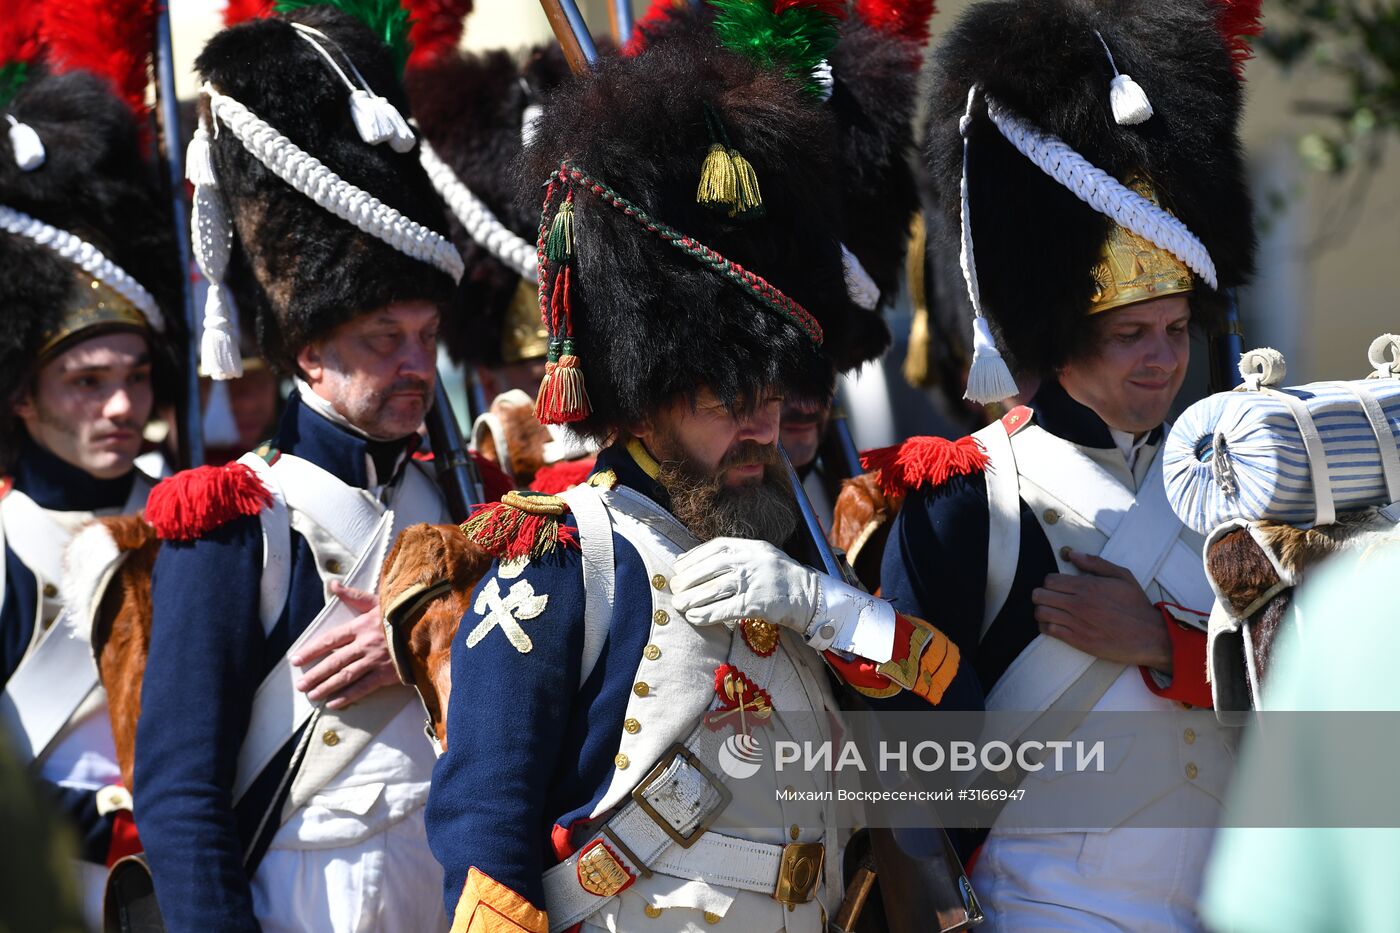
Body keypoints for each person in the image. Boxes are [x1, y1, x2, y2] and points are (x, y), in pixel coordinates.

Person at [425, 11, 981, 931]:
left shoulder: (795, 547)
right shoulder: (561, 558)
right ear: (645, 396)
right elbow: (484, 828)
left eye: (774, 396)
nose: (764, 426)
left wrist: (831, 608)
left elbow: (957, 733)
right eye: (728, 401)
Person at [871, 0, 1260, 928]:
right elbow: (911, 771)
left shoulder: (1235, 482)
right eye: (1129, 333)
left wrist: (1164, 647)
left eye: (1174, 329)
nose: (1162, 357)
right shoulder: (968, 500)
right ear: (1060, 333)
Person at [132, 5, 478, 931]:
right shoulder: (240, 518)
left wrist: (428, 637)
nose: (417, 364)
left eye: (426, 336)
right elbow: (180, 796)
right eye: (383, 337)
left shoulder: (461, 495)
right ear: (309, 353)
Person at [0, 8, 182, 923]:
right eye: (85, 381)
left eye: (137, 376)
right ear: (21, 395)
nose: (120, 406)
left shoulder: (195, 517)